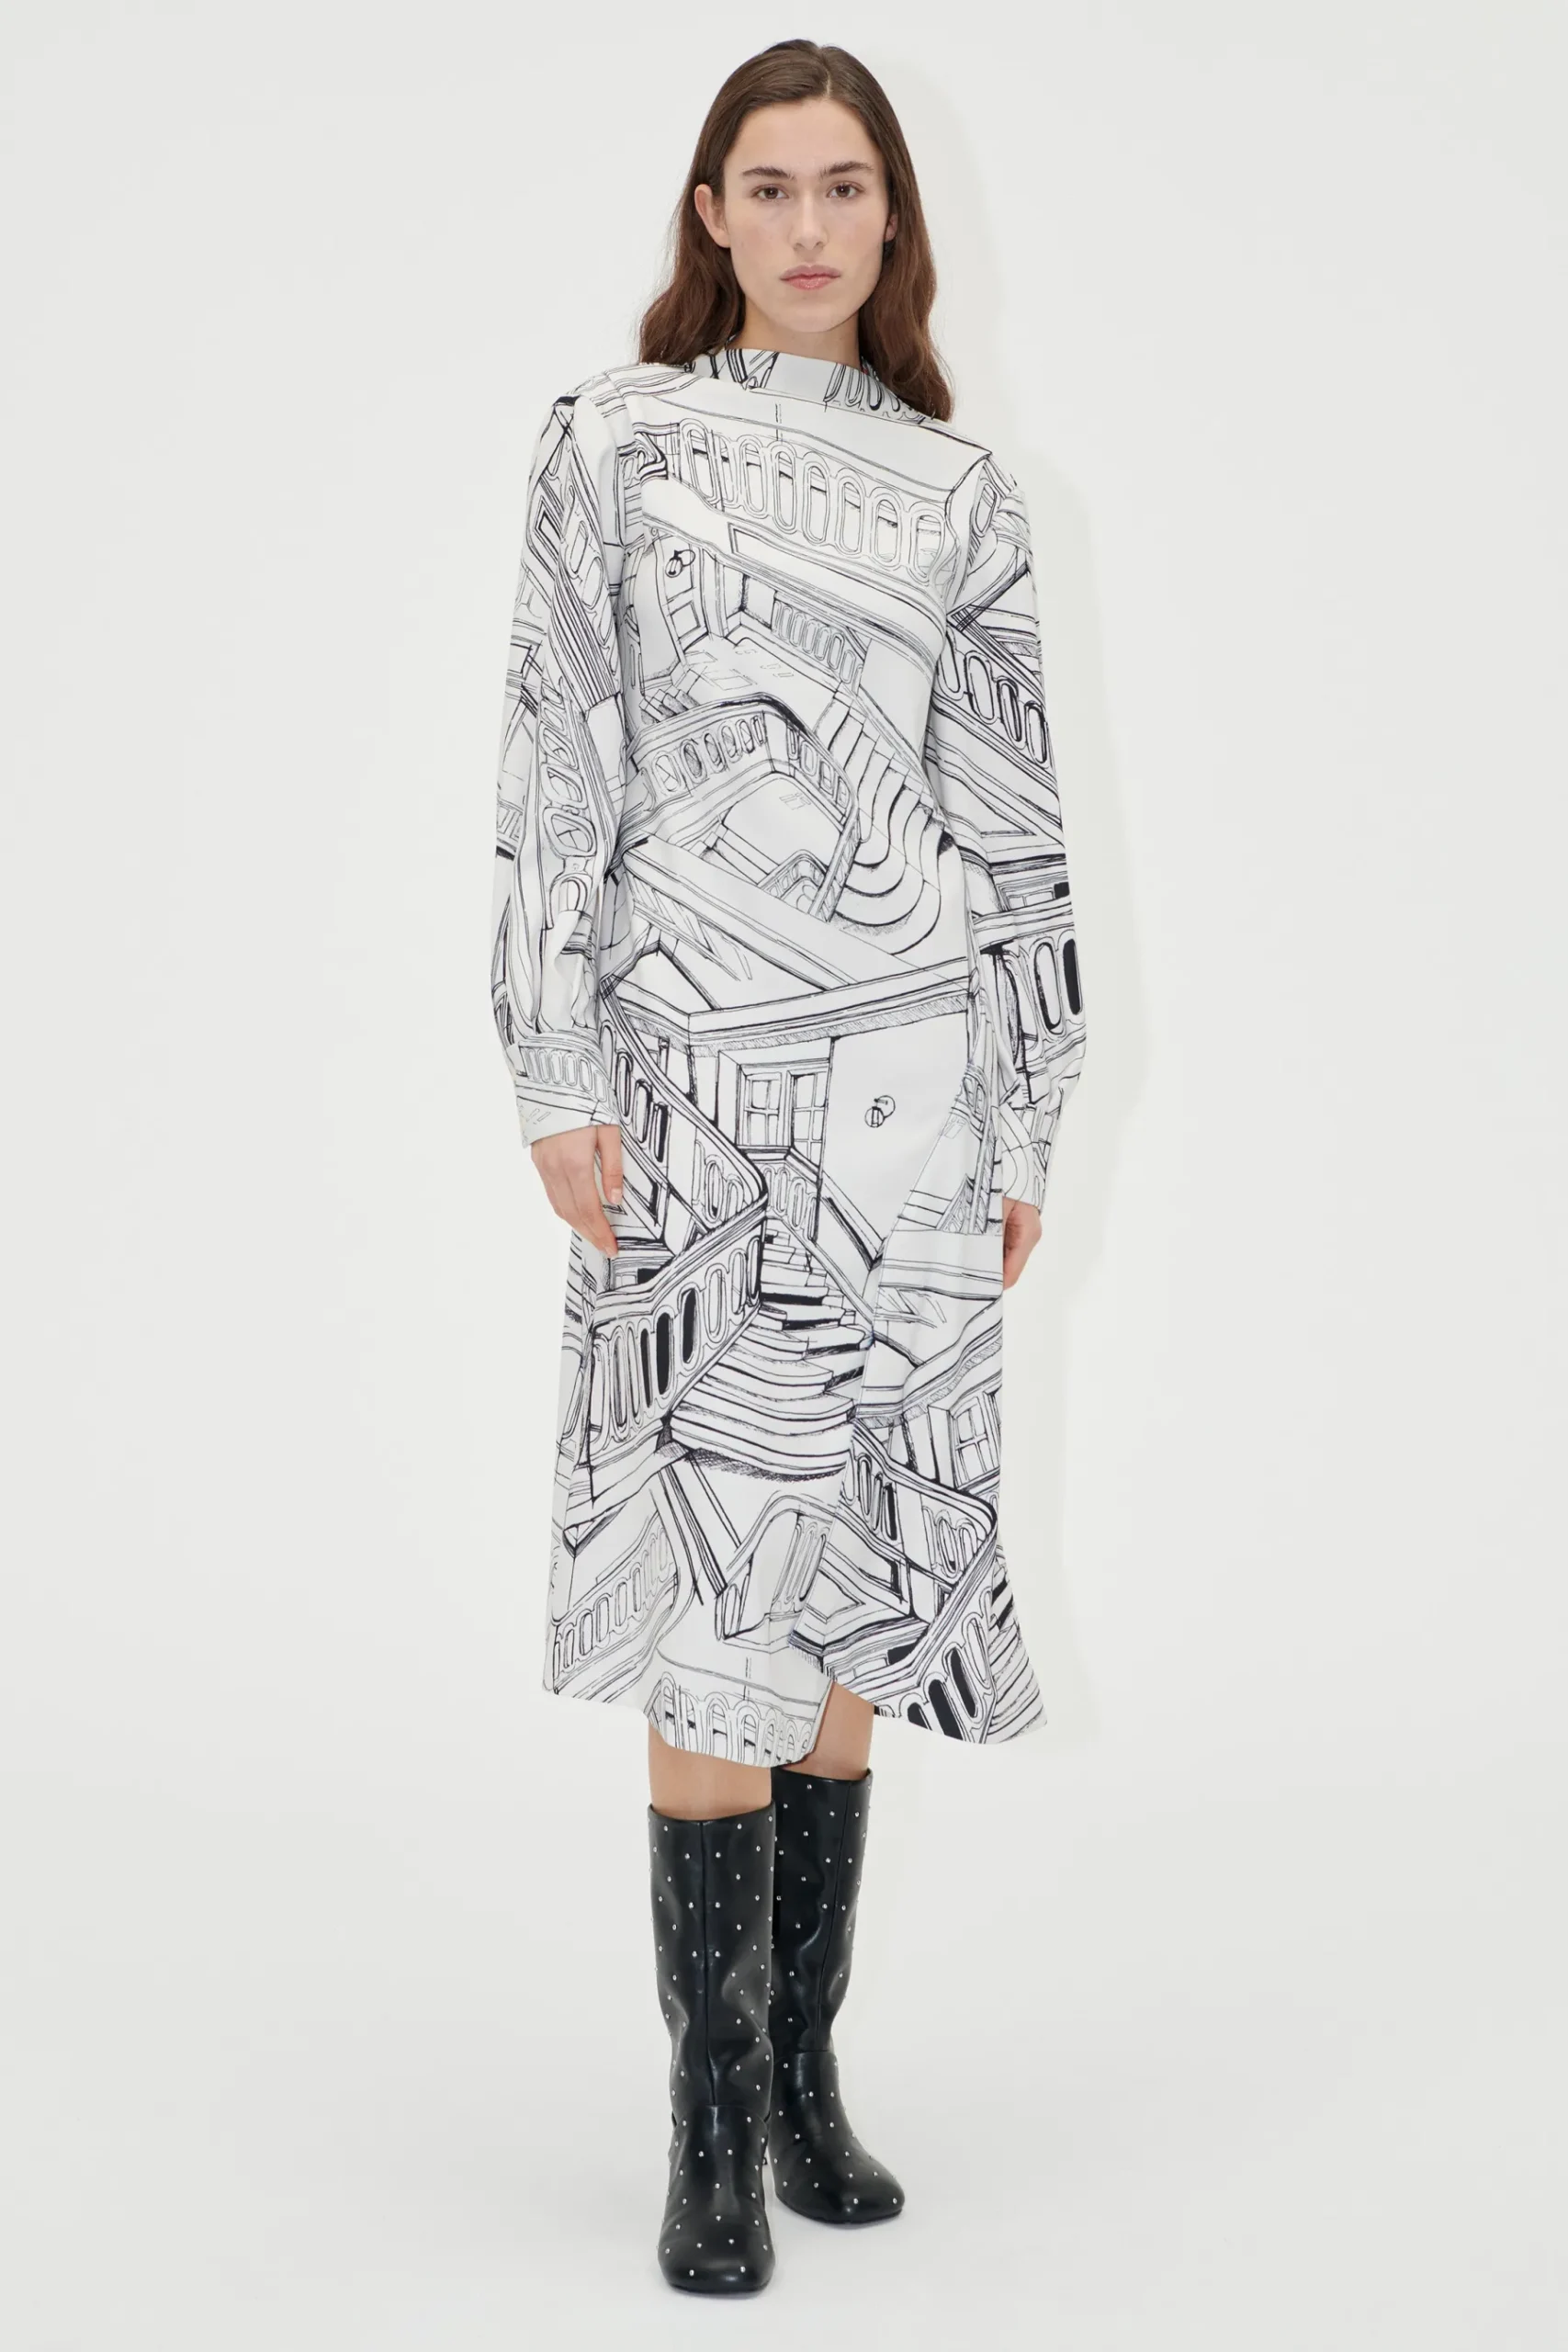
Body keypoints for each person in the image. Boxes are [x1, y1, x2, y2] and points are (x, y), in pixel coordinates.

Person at [489, 37, 1089, 2297]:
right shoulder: (612, 443)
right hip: (692, 1099)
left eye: (847, 186)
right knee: (711, 1582)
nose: (811, 224)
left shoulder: (963, 491)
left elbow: (1014, 828)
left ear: (891, 219)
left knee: (857, 1581)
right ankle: (707, 2118)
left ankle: (805, 2078)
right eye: (772, 184)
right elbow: (555, 759)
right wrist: (556, 1062)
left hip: (921, 1101)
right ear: (712, 212)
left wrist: (1025, 1103)